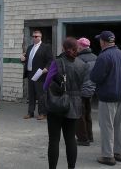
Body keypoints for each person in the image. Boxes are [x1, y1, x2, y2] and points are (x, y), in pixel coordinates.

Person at [43, 37, 88, 169]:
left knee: (54, 140)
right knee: (70, 139)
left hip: (57, 104)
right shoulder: (82, 64)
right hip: (75, 104)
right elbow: (84, 85)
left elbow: (46, 84)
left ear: (63, 48)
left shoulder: (57, 62)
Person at [90, 31, 121, 166]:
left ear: (103, 41)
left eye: (100, 40)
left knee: (107, 127)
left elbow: (95, 77)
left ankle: (108, 155)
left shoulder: (104, 56)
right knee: (119, 125)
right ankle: (119, 152)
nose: (99, 42)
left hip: (108, 96)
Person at [21, 30, 53, 120]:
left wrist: (46, 68)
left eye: (37, 36)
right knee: (31, 95)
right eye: (33, 36)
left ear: (40, 37)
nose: (35, 38)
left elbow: (51, 60)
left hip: (40, 74)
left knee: (41, 95)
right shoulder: (30, 47)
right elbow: (26, 59)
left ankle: (42, 113)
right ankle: (30, 112)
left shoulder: (46, 47)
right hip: (30, 73)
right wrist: (23, 59)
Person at [75, 37, 97, 146]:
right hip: (91, 90)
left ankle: (83, 139)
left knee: (79, 115)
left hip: (81, 90)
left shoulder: (78, 59)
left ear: (80, 47)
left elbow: (76, 77)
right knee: (88, 114)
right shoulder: (96, 58)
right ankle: (90, 136)